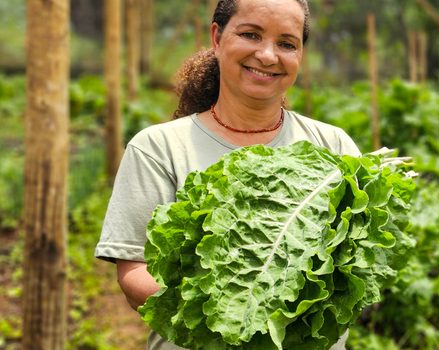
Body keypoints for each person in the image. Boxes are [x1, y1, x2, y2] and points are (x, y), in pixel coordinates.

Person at [94, 0, 357, 349]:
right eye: (250, 35)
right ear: (217, 38)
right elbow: (134, 274)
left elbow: (358, 266)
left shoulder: (334, 146)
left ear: (301, 54)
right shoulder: (158, 148)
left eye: (286, 43)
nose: (267, 55)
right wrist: (239, 309)